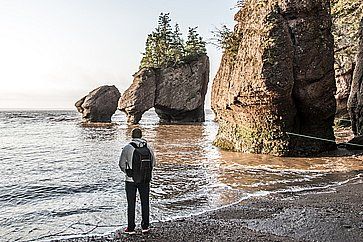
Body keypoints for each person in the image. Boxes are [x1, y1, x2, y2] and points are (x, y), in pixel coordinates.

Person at [119, 128, 156, 234]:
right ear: (141, 135)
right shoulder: (148, 147)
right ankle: (145, 227)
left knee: (131, 203)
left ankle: (131, 228)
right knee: (145, 202)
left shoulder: (127, 148)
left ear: (132, 136)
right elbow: (154, 163)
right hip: (145, 179)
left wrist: (128, 172)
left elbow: (121, 164)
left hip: (131, 180)